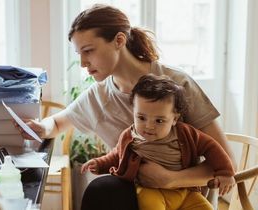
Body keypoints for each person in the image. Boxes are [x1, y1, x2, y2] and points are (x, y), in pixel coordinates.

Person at [17, 4, 236, 210]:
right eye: (79, 54)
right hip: (135, 192)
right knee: (102, 189)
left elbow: (227, 161)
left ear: (119, 40)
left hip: (185, 195)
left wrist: (170, 180)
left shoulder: (176, 84)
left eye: (89, 51)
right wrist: (41, 127)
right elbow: (56, 122)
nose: (83, 63)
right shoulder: (98, 95)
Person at [81, 74, 235, 210]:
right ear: (133, 112)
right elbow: (116, 155)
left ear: (174, 119)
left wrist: (225, 172)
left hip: (185, 191)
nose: (149, 126)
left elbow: (212, 147)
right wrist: (100, 164)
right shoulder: (130, 136)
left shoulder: (185, 134)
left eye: (159, 120)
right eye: (141, 118)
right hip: (150, 191)